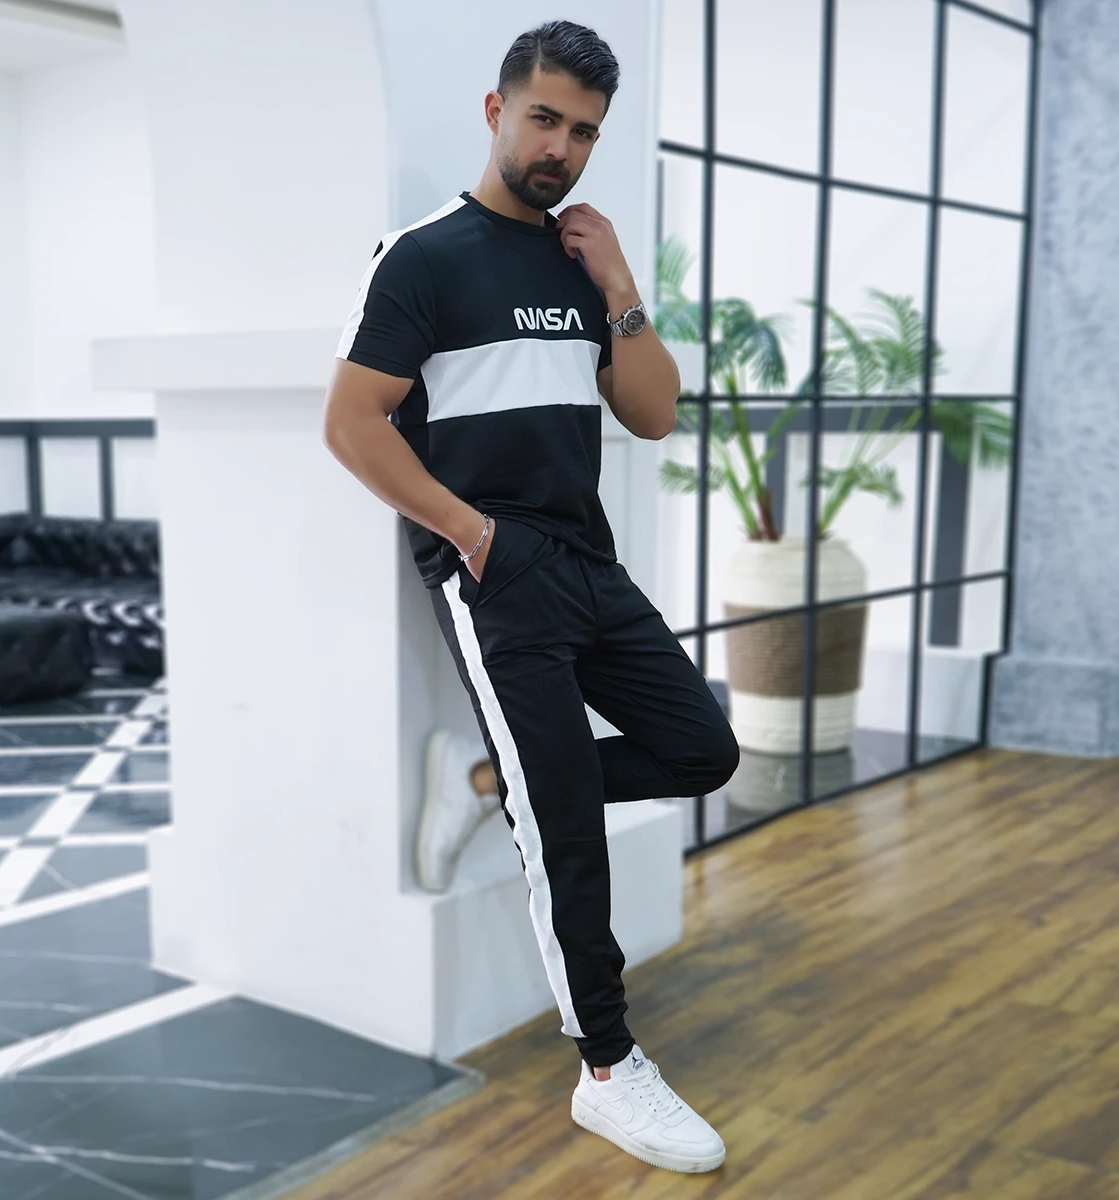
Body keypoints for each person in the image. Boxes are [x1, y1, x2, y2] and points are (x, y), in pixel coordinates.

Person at [323, 19, 738, 1175]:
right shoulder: (422, 258)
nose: (562, 146)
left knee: (702, 749)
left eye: (585, 131)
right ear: (497, 110)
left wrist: (621, 285)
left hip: (589, 561)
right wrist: (471, 535)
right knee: (567, 831)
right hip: (495, 572)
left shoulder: (577, 261)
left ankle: (490, 781)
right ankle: (608, 1070)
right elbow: (352, 424)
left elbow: (652, 414)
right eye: (545, 118)